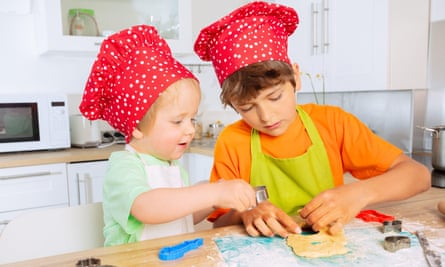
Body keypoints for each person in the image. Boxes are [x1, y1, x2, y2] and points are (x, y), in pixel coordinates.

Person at [194, 2, 431, 238]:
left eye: (275, 97)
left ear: (296, 78)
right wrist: (245, 214)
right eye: (247, 107)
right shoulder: (233, 141)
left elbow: (418, 176)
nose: (266, 117)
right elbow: (220, 222)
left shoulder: (333, 123)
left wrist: (357, 194)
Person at [79, 25, 256, 246]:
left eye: (192, 119)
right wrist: (211, 193)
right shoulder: (124, 166)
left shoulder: (172, 166)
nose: (191, 129)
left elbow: (179, 216)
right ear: (136, 127)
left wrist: (211, 201)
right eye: (177, 121)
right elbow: (147, 208)